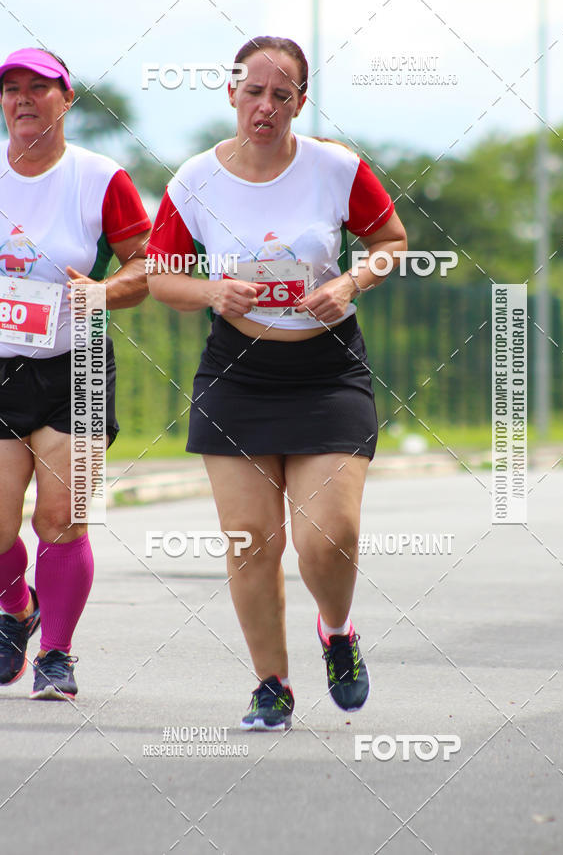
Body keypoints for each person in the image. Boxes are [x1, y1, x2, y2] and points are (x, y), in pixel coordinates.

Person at [147, 36, 407, 730]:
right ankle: (272, 685)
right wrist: (212, 292)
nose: (265, 105)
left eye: (281, 94)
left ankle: (337, 629)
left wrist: (348, 282)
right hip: (238, 375)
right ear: (231, 92)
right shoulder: (194, 180)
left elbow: (391, 244)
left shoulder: (336, 168)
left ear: (300, 100)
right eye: (254, 91)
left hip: (327, 373)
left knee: (329, 536)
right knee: (250, 541)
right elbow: (161, 278)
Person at [0, 48, 151, 699]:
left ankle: (56, 654)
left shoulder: (100, 178)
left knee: (62, 517)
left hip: (78, 362)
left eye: (39, 87)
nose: (22, 98)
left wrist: (101, 291)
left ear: (66, 99)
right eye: (11, 88)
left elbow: (147, 265)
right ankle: (17, 608)